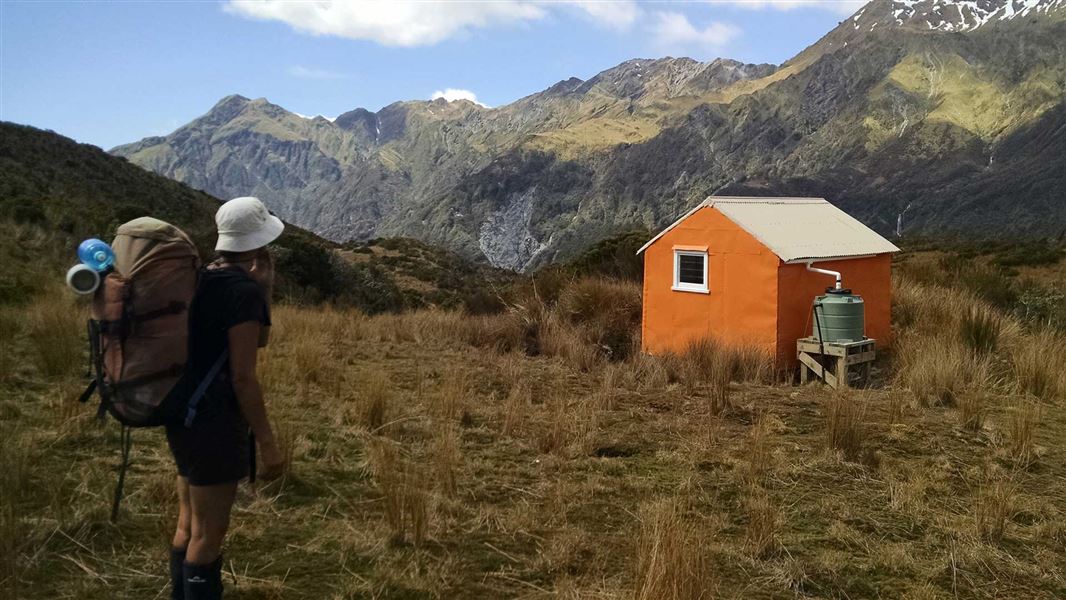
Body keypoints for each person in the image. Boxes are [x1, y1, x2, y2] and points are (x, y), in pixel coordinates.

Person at [166, 196, 286, 600]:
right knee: (208, 537)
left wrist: (262, 287)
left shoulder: (201, 278)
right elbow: (243, 375)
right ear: (257, 241)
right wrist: (267, 442)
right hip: (215, 423)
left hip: (181, 413)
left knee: (188, 526)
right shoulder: (241, 293)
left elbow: (256, 341)